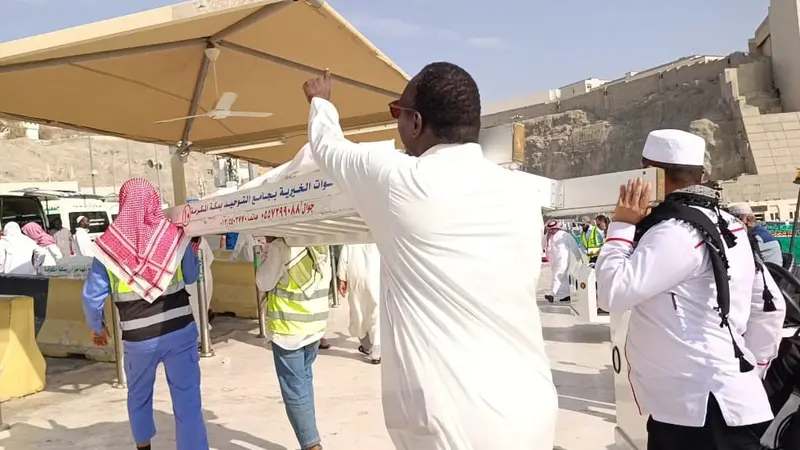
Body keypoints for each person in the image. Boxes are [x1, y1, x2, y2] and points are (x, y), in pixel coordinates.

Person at [302, 63, 556, 449]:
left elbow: (328, 148)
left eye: (396, 113)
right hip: (532, 412)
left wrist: (320, 103)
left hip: (455, 429)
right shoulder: (521, 196)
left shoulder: (399, 181)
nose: (397, 125)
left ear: (415, 122)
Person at [595, 129, 786, 450]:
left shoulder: (676, 231)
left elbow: (612, 292)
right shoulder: (730, 225)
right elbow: (769, 306)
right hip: (723, 402)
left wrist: (623, 224)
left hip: (694, 410)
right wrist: (751, 368)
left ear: (650, 174)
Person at [81, 179, 209, 450]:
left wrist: (97, 327)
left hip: (138, 339)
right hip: (180, 332)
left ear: (123, 204)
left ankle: (144, 447)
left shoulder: (108, 248)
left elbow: (92, 297)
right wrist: (192, 248)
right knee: (187, 399)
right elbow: (189, 276)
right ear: (154, 201)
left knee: (138, 395)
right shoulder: (174, 237)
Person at [255, 238, 329, 450]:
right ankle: (310, 434)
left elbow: (263, 282)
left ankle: (311, 445)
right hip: (314, 326)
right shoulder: (320, 241)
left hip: (289, 329)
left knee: (295, 390)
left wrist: (266, 251)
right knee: (304, 382)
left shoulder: (280, 247)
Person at [337, 243, 381, 364]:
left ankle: (366, 346)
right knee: (376, 312)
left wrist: (342, 278)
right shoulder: (377, 231)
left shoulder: (352, 233)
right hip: (375, 275)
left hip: (355, 275)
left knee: (358, 311)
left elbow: (343, 256)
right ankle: (376, 350)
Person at [728, 202, 783, 267]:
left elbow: (738, 256)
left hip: (772, 275)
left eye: (736, 222)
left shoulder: (757, 238)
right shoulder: (760, 232)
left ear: (747, 220)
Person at [543, 219, 582, 303]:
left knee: (557, 275)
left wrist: (578, 257)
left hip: (563, 260)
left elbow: (573, 246)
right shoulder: (547, 237)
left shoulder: (565, 235)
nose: (552, 231)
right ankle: (566, 295)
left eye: (553, 229)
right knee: (562, 277)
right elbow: (541, 247)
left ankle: (552, 294)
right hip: (553, 261)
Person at [185, 236, 215, 335]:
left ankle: (201, 338)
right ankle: (204, 337)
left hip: (194, 281)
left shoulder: (184, 243)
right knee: (202, 308)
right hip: (205, 276)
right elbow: (210, 258)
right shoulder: (203, 241)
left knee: (195, 311)